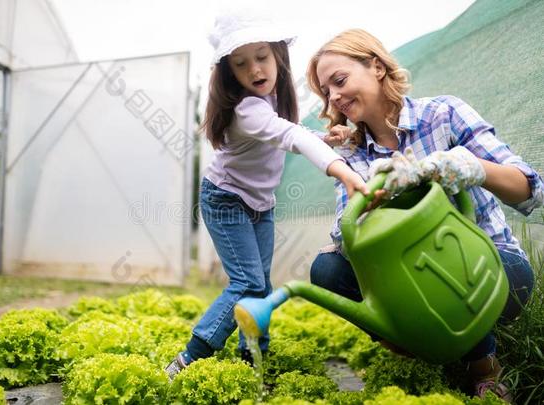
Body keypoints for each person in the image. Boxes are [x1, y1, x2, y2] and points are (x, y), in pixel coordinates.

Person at [306, 29, 543, 401]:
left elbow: (530, 190)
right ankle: (424, 345)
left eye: (339, 81)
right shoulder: (351, 155)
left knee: (442, 259)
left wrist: (469, 167)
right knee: (327, 269)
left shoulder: (444, 114)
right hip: (414, 282)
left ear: (377, 66)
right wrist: (371, 196)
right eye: (326, 92)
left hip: (495, 270)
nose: (334, 96)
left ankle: (483, 367)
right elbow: (347, 234)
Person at [164, 13, 367, 380]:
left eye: (261, 57)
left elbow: (290, 132)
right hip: (225, 201)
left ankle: (252, 357)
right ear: (230, 73)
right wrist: (342, 169)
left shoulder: (271, 100)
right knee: (247, 283)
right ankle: (188, 359)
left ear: (277, 56)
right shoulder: (246, 109)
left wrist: (323, 139)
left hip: (259, 204)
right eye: (241, 64)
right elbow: (291, 138)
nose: (254, 69)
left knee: (262, 282)